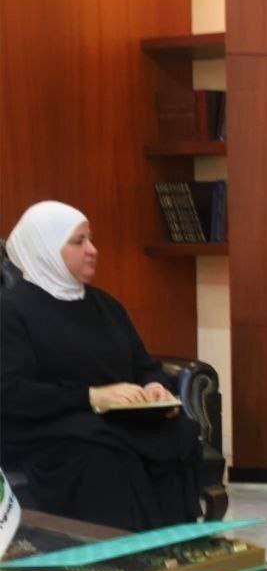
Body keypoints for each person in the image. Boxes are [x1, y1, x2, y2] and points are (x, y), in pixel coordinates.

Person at [0, 201, 202, 530]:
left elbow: (144, 364)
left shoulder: (106, 305)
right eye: (78, 242)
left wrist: (154, 386)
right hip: (44, 426)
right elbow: (11, 392)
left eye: (91, 239)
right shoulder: (10, 311)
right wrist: (92, 397)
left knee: (177, 434)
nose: (92, 250)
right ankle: (123, 550)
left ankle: (177, 544)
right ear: (45, 250)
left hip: (107, 419)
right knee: (104, 451)